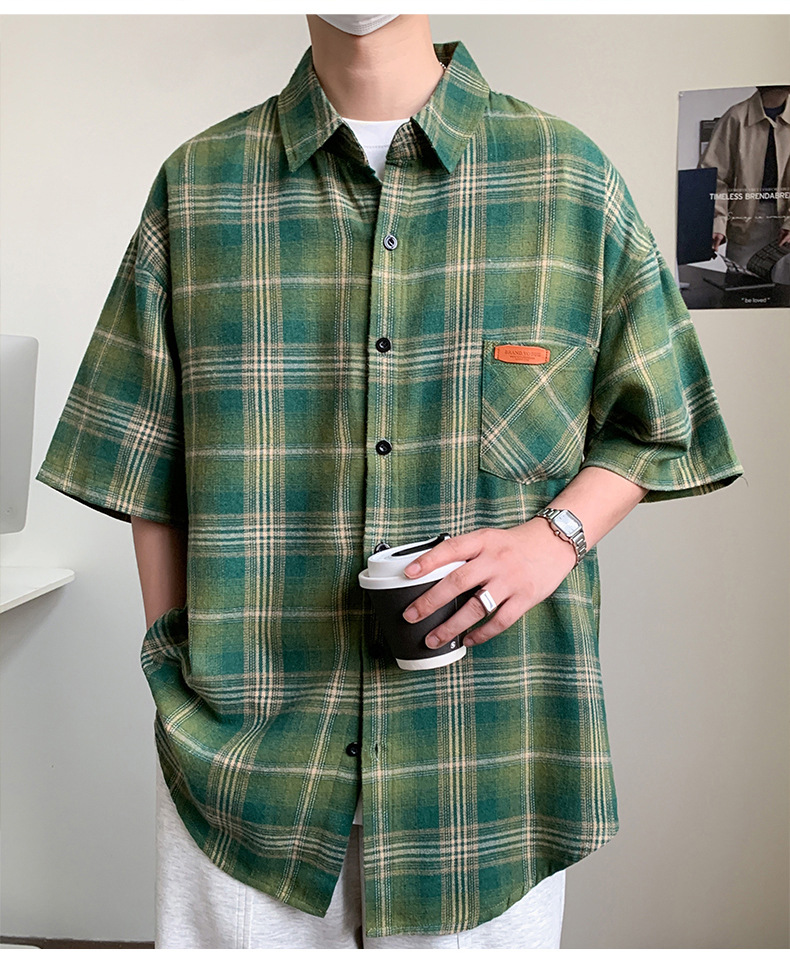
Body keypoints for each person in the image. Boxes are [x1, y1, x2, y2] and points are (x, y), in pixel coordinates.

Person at [36, 14, 743, 949]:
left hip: (488, 767)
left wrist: (554, 539)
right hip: (248, 772)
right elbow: (137, 455)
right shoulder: (198, 188)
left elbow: (663, 422)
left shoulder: (567, 178)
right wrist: (178, 680)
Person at [699, 84, 790, 282]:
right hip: (746, 224)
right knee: (743, 290)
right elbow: (714, 177)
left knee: (784, 295)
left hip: (786, 224)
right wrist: (717, 222)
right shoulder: (736, 117)